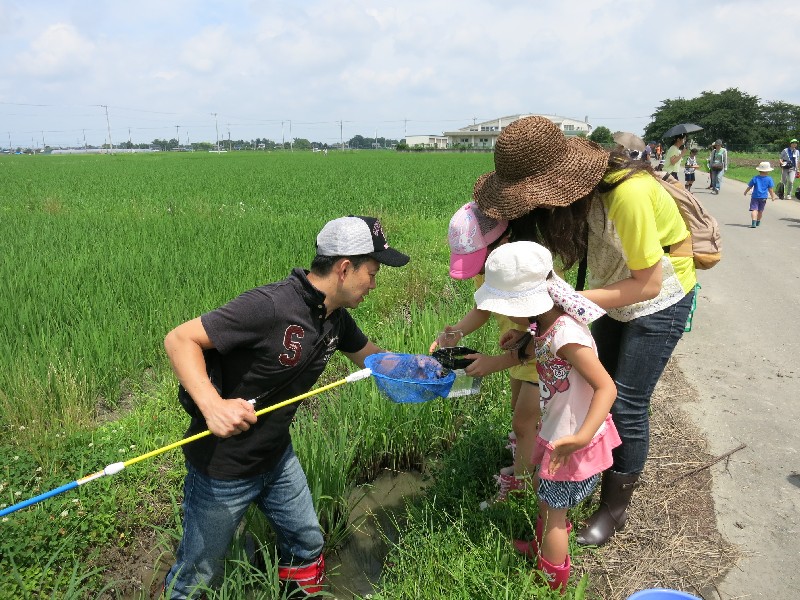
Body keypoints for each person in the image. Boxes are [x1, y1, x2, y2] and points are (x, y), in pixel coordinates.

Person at [474, 115, 697, 547]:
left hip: (661, 295)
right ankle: (585, 473)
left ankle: (614, 507)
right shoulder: (583, 199)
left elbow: (648, 283)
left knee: (626, 400)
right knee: (597, 386)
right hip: (616, 287)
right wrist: (537, 325)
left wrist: (568, 305)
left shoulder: (626, 193)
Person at [162, 216, 409, 599]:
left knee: (307, 544)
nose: (373, 285)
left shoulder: (336, 319)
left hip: (277, 459)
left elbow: (373, 359)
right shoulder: (270, 306)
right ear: (345, 268)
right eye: (372, 273)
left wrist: (424, 371)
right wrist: (212, 406)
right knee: (197, 575)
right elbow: (180, 339)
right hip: (221, 471)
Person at [474, 241, 619, 592]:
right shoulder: (547, 328)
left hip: (571, 440)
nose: (507, 318)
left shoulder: (567, 336)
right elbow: (534, 353)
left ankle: (550, 580)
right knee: (546, 498)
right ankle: (543, 551)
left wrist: (580, 438)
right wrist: (501, 356)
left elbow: (607, 387)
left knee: (555, 514)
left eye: (510, 310)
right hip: (558, 431)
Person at [430, 201, 541, 507]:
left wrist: (495, 363)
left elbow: (542, 333)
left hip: (544, 356)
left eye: (480, 262)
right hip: (518, 355)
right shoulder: (490, 266)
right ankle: (528, 465)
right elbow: (482, 308)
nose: (478, 270)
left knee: (524, 422)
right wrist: (458, 331)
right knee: (523, 421)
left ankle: (520, 490)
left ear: (503, 243)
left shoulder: (525, 272)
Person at [744, 161, 777, 228]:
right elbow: (770, 189)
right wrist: (773, 196)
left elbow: (749, 186)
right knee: (760, 210)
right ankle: (758, 221)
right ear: (768, 171)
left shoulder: (755, 178)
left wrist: (746, 192)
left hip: (755, 196)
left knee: (754, 209)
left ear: (759, 170)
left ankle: (753, 222)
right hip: (763, 197)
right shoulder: (769, 179)